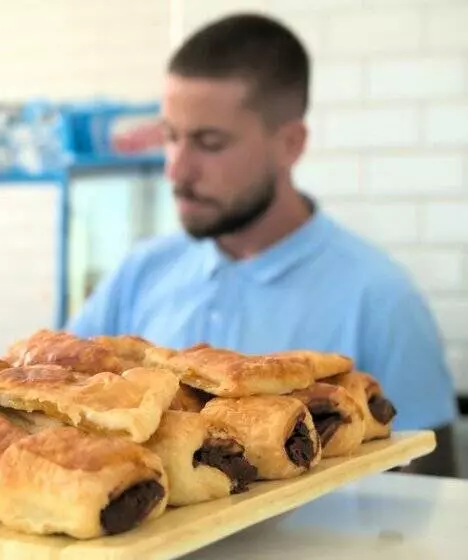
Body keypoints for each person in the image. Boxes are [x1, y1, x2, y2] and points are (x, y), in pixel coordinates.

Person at [66, 13, 459, 477]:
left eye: (209, 142)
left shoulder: (380, 299)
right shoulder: (139, 273)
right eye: (171, 136)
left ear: (290, 144)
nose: (177, 169)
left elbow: (431, 492)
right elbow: (63, 405)